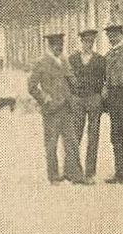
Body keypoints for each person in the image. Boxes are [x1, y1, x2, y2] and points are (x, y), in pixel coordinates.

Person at [28, 33, 84, 184]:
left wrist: (75, 85)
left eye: (61, 45)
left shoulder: (65, 61)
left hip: (67, 108)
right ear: (50, 46)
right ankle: (53, 176)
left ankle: (76, 175)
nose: (60, 48)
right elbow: (32, 87)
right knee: (51, 144)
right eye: (57, 45)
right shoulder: (41, 63)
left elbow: (72, 81)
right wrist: (45, 99)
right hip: (51, 110)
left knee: (72, 142)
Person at [69, 28, 107, 181]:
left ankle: (90, 172)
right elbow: (67, 78)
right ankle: (73, 170)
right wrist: (71, 96)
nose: (88, 44)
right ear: (81, 42)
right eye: (85, 41)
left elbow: (106, 80)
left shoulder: (100, 60)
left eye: (91, 42)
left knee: (93, 135)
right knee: (75, 134)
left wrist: (102, 94)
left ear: (93, 43)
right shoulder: (73, 59)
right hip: (77, 100)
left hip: (94, 100)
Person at [101, 24, 123, 183]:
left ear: (121, 35)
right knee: (116, 137)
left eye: (114, 35)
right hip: (114, 100)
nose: (111, 38)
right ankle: (120, 174)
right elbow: (106, 80)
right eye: (109, 36)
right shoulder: (108, 56)